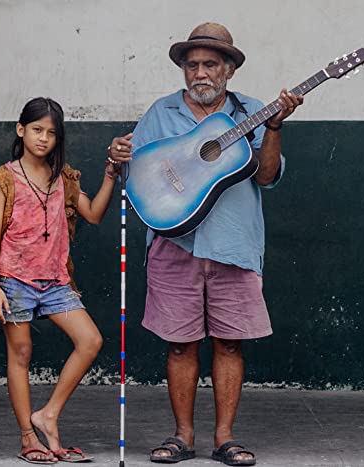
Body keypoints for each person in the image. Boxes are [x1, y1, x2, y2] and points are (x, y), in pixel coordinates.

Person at [107, 23, 303, 465]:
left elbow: (267, 175)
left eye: (210, 64)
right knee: (180, 344)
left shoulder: (254, 111)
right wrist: (120, 156)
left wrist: (273, 128)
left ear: (229, 70)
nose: (200, 73)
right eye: (191, 64)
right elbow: (136, 173)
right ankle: (182, 437)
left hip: (234, 243)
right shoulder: (162, 111)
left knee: (231, 343)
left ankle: (225, 439)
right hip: (174, 242)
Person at [0, 97, 119, 464]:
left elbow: (92, 214)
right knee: (21, 353)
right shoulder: (5, 178)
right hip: (13, 279)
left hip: (56, 280)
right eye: (37, 130)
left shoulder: (64, 179)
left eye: (51, 133)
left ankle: (48, 414)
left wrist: (109, 176)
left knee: (90, 340)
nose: (43, 139)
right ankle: (29, 437)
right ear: (21, 130)